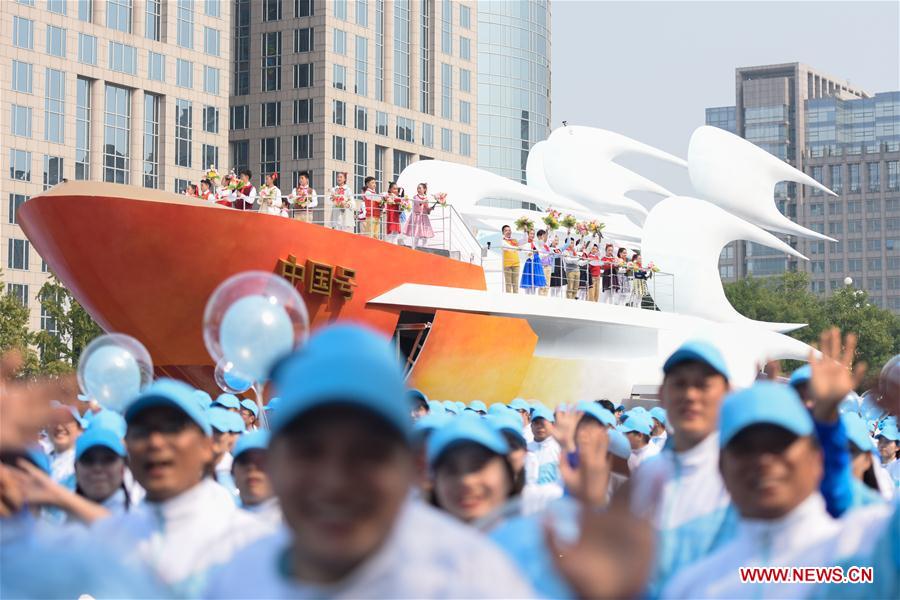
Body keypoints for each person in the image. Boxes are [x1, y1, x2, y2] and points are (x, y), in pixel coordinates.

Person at [203, 324, 533, 598]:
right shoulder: (237, 578)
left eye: (367, 455)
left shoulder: (471, 580)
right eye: (309, 452)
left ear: (411, 466)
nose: (334, 483)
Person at [662, 381, 896, 599]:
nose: (763, 460)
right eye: (745, 447)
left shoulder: (866, 545)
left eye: (780, 444)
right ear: (721, 465)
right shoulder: (692, 586)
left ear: (816, 458)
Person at [92, 379, 269, 598]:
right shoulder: (110, 541)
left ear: (207, 446)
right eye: (141, 430)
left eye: (172, 428)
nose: (155, 442)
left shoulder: (251, 541)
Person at [429, 414, 523, 528]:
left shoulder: (540, 539)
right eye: (451, 470)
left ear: (507, 473)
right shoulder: (415, 543)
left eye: (478, 466)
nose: (466, 481)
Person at [231, 431, 281, 526]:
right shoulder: (220, 524)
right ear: (232, 471)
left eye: (262, 461)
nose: (252, 467)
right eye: (244, 461)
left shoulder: (299, 526)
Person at [47, 402, 85, 485]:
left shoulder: (85, 463)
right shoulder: (40, 460)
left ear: (80, 430)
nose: (59, 427)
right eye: (54, 421)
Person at [404, 183, 435, 249]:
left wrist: (431, 209)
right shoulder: (415, 197)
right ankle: (414, 249)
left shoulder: (426, 198)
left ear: (424, 189)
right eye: (418, 188)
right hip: (417, 217)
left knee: (425, 236)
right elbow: (419, 203)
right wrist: (424, 201)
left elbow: (426, 210)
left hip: (424, 217)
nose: (418, 189)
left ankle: (425, 249)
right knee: (416, 234)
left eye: (420, 188)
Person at [520, 229, 547, 295]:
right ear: (528, 234)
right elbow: (526, 254)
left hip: (536, 263)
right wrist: (531, 253)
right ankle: (527, 297)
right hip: (529, 263)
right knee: (528, 281)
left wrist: (547, 230)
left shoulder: (536, 243)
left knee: (535, 282)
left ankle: (533, 297)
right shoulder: (525, 244)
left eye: (533, 234)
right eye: (531, 234)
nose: (532, 235)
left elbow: (544, 241)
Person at [501, 225, 521, 294]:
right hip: (507, 265)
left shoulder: (514, 240)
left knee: (515, 285)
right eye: (506, 230)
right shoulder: (503, 241)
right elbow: (508, 247)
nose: (508, 232)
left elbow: (524, 241)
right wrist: (517, 248)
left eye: (509, 230)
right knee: (508, 284)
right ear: (503, 232)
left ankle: (516, 301)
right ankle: (508, 301)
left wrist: (525, 231)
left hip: (516, 264)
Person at [537, 230, 553, 297]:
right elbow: (545, 240)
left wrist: (553, 227)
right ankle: (541, 298)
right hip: (542, 266)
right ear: (539, 237)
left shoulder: (546, 245)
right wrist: (547, 230)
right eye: (543, 235)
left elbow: (551, 238)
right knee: (542, 284)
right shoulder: (539, 243)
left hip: (548, 266)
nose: (545, 237)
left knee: (547, 284)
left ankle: (545, 297)